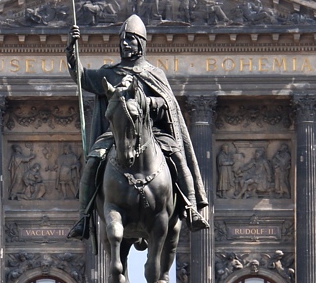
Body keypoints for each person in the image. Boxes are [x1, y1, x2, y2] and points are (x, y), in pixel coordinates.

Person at [64, 16, 209, 240]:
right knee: (93, 160)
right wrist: (72, 51)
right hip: (117, 134)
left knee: (178, 157)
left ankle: (191, 209)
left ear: (141, 44)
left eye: (130, 40)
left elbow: (168, 104)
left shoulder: (154, 74)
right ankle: (84, 218)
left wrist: (149, 103)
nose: (125, 44)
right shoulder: (111, 73)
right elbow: (82, 77)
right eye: (122, 40)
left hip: (153, 133)